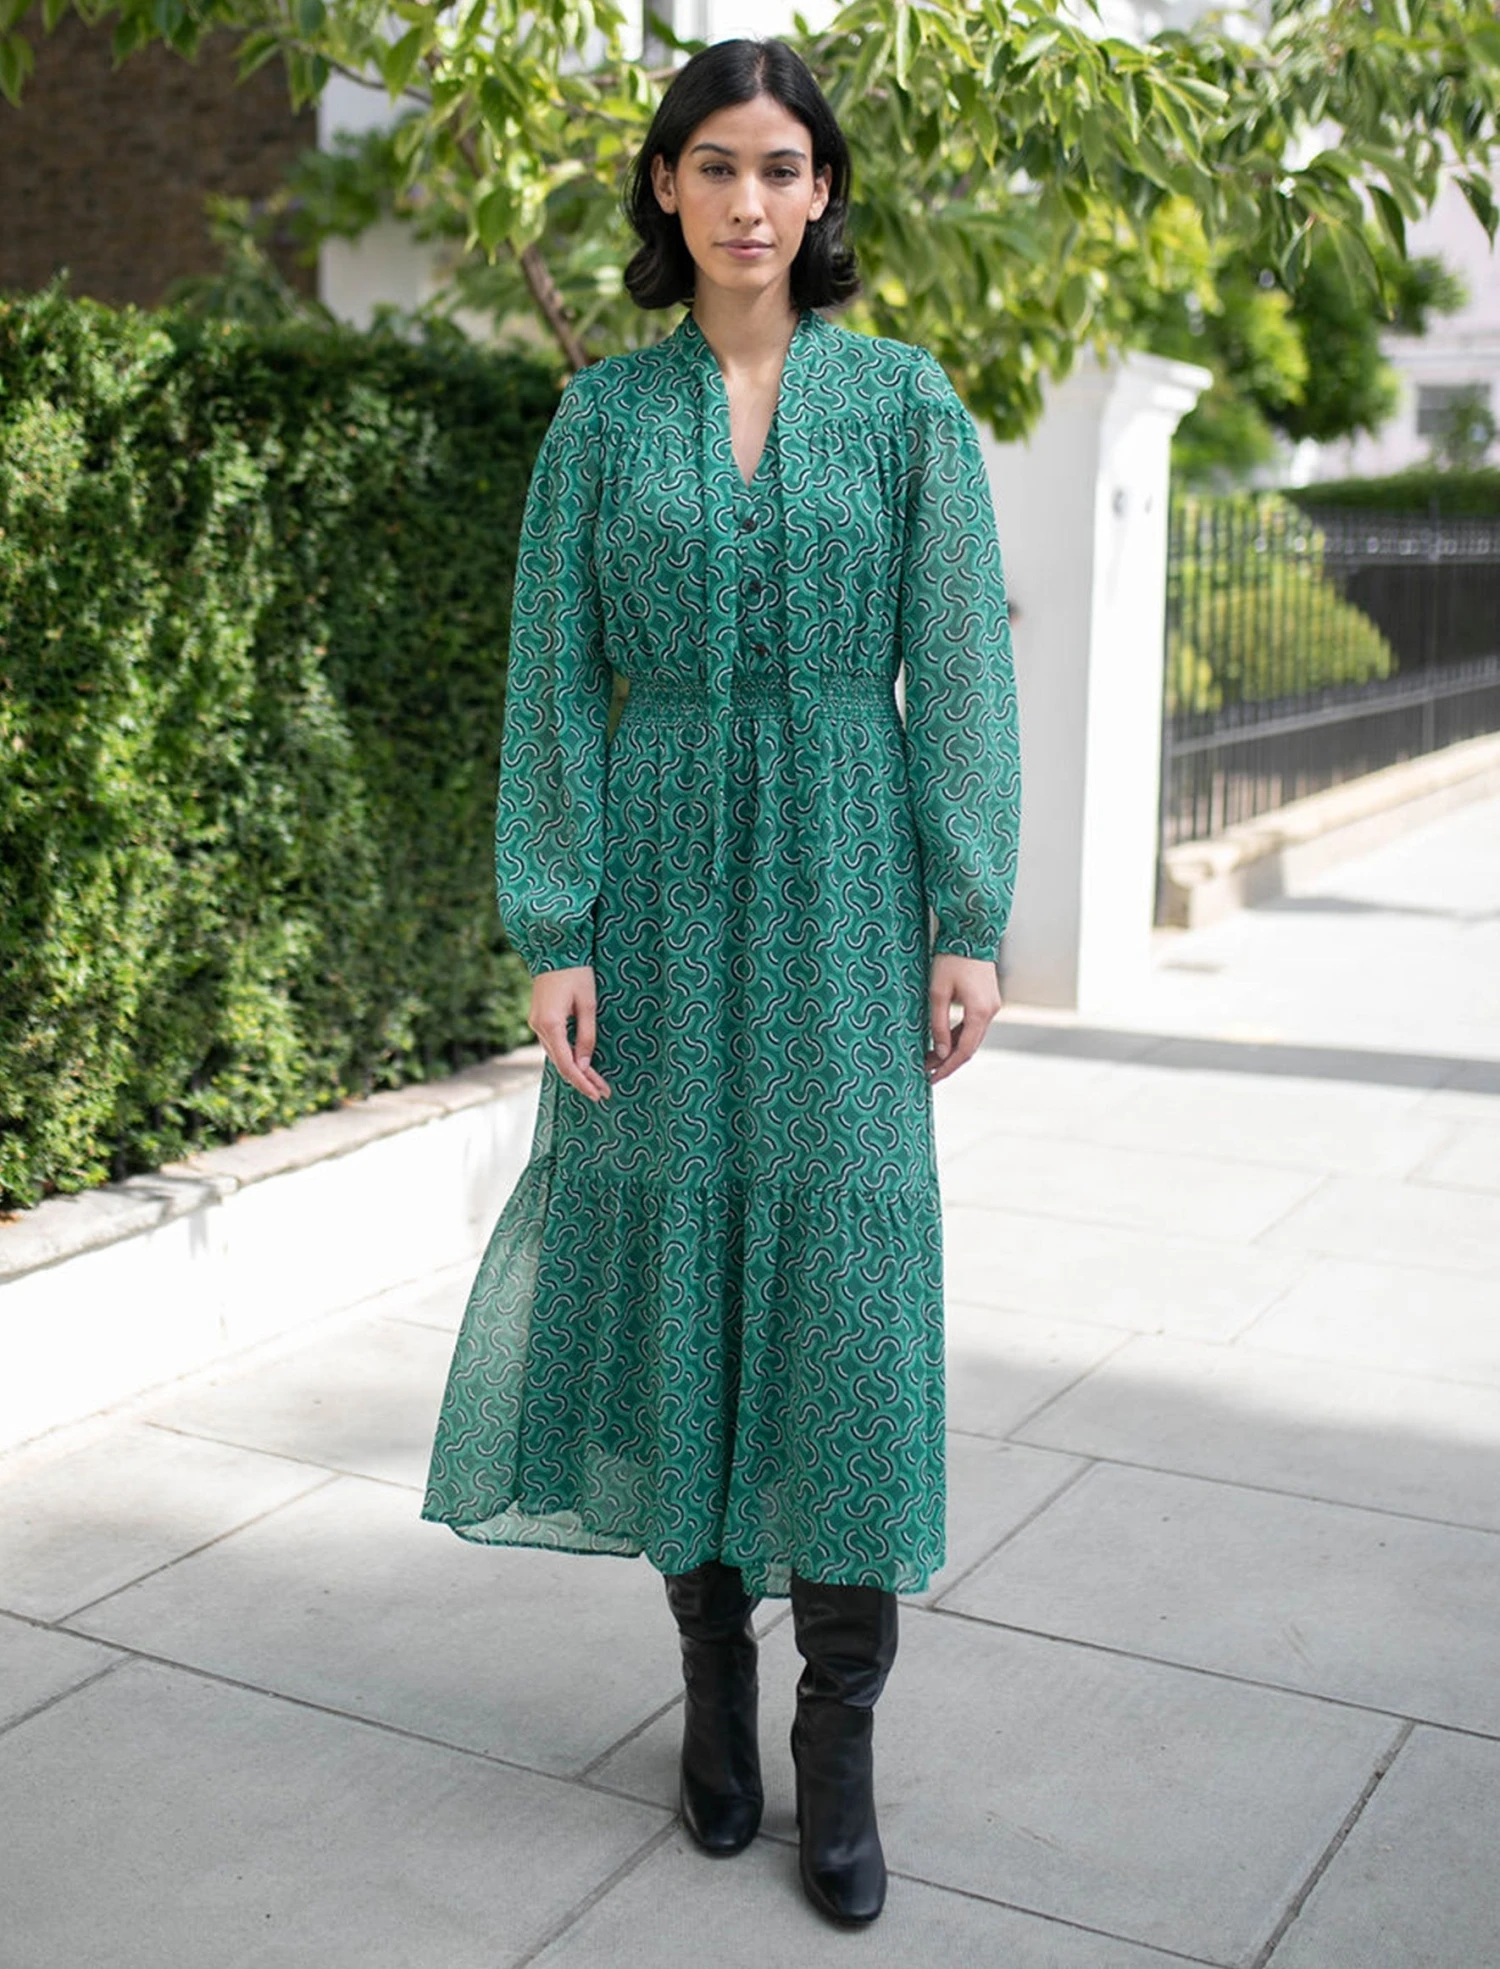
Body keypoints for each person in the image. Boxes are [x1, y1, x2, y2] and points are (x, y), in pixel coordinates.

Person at [421, 35, 1021, 1928]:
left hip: (848, 883)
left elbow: (961, 672)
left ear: (821, 192)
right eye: (714, 167)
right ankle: (710, 1685)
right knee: (676, 1278)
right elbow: (551, 682)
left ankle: (838, 1743)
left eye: (779, 168)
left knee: (843, 1288)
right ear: (666, 190)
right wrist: (558, 927)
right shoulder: (600, 423)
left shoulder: (907, 405)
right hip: (664, 895)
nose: (748, 201)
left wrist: (968, 913)